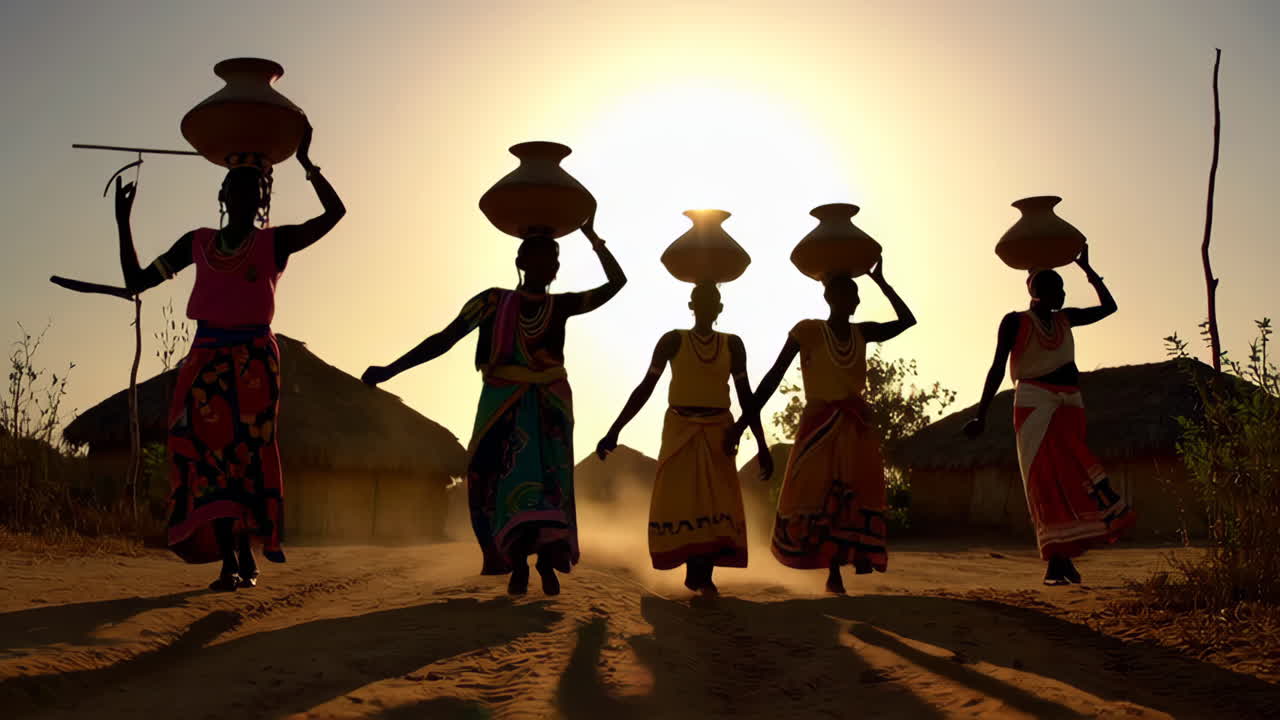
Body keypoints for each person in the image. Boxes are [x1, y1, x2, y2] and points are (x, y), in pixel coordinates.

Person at [114, 125, 345, 591]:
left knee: (245, 457)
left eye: (253, 188)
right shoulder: (196, 243)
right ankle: (229, 558)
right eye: (235, 186)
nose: (242, 194)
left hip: (255, 364)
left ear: (262, 200)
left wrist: (305, 163)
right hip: (204, 362)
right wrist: (123, 221)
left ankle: (243, 553)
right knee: (202, 456)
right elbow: (138, 281)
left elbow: (335, 213)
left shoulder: (274, 244)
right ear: (222, 193)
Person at [363, 219, 625, 596]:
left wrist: (592, 237)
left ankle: (547, 562)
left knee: (550, 484)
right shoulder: (492, 302)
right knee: (499, 479)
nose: (552, 265)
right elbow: (445, 338)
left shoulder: (560, 305)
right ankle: (517, 562)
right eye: (544, 257)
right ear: (522, 261)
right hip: (502, 404)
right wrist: (392, 369)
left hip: (550, 406)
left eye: (556, 258)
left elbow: (617, 284)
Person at [736, 261, 914, 594]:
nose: (857, 301)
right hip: (818, 425)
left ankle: (837, 571)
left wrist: (881, 282)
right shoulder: (807, 331)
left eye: (858, 295)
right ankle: (827, 567)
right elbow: (773, 377)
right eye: (851, 294)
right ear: (832, 297)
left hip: (854, 428)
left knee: (849, 495)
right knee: (815, 493)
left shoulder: (862, 332)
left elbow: (907, 321)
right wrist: (744, 421)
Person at [963, 244, 1135, 585]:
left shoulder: (1065, 318)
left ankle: (1065, 558)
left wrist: (1088, 268)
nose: (1062, 293)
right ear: (1038, 291)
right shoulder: (1015, 322)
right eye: (1056, 288)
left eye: (1063, 288)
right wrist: (982, 413)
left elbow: (1109, 307)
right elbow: (997, 367)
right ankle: (1056, 562)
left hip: (1070, 405)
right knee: (1044, 482)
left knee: (1072, 477)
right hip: (1034, 405)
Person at [597, 284, 771, 596]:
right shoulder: (673, 340)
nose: (707, 307)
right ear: (691, 305)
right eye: (702, 301)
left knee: (716, 499)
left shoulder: (733, 345)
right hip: (679, 428)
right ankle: (694, 569)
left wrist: (760, 445)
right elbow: (646, 386)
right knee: (680, 497)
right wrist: (615, 430)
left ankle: (703, 575)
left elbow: (747, 398)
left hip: (719, 431)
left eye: (713, 302)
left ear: (720, 308)